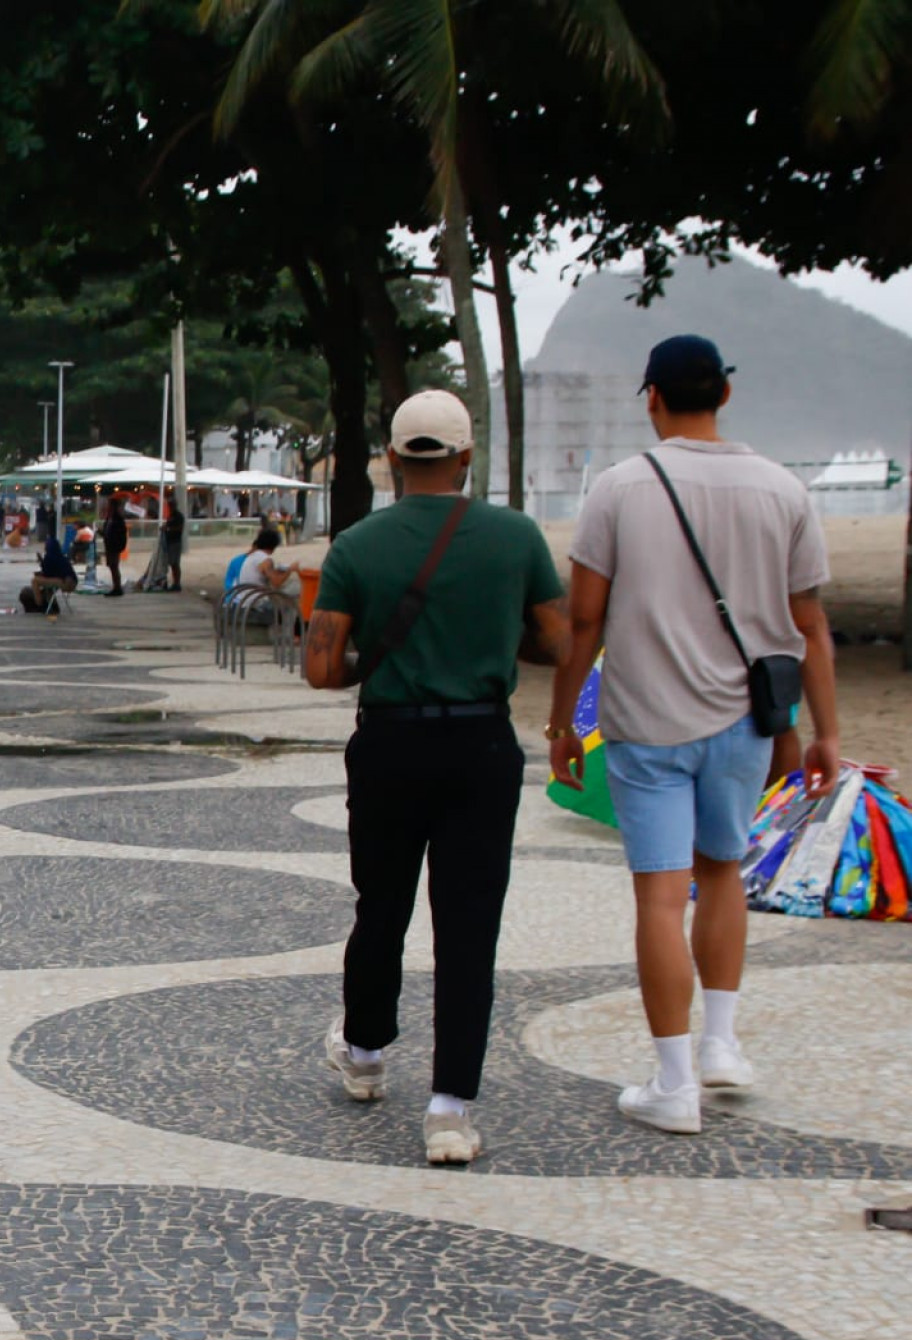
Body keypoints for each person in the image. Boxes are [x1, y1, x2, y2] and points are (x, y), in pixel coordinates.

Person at [547, 335, 837, 1135]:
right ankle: (720, 1044)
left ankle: (674, 1084)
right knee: (722, 875)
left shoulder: (618, 489)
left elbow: (583, 617)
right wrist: (826, 732)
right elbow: (809, 622)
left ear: (652, 398)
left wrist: (563, 721)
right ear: (726, 395)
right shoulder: (784, 489)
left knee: (659, 894)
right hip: (745, 723)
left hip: (645, 726)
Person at [304, 391, 568, 1166]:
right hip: (482, 745)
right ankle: (450, 1107)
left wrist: (380, 659)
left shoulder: (356, 545)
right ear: (465, 458)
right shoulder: (516, 537)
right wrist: (490, 637)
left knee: (379, 905)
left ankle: (365, 1054)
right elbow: (558, 639)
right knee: (469, 925)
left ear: (392, 460)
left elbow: (322, 667)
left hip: (389, 744)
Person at [21, 534, 78, 618]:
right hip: (71, 582)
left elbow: (47, 574)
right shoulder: (61, 556)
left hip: (65, 583)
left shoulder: (50, 557)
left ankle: (39, 604)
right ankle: (50, 604)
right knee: (48, 583)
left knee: (35, 581)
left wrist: (41, 563)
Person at [237, 526, 292, 592]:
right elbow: (276, 583)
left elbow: (263, 572)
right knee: (291, 589)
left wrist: (277, 571)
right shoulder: (266, 560)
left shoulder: (252, 556)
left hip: (244, 597)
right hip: (256, 599)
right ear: (274, 545)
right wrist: (291, 569)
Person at [100, 497, 128, 597]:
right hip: (109, 545)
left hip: (114, 546)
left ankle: (117, 587)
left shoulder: (118, 519)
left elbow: (120, 533)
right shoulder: (110, 518)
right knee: (112, 566)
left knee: (114, 566)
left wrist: (119, 544)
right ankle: (116, 586)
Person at [160, 496, 185, 590]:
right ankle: (173, 582)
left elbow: (180, 528)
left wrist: (168, 529)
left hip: (175, 542)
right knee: (170, 563)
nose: (170, 507)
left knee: (175, 563)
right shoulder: (170, 516)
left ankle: (177, 583)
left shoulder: (179, 516)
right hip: (169, 542)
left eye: (171, 505)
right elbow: (167, 525)